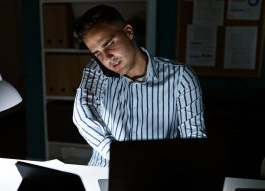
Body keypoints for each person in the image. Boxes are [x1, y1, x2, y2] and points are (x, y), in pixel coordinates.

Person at [72, 5, 207, 167]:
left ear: (128, 32)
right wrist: (122, 157)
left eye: (108, 44)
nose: (107, 58)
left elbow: (194, 141)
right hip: (102, 173)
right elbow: (83, 116)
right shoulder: (96, 70)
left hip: (155, 175)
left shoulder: (181, 77)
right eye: (98, 53)